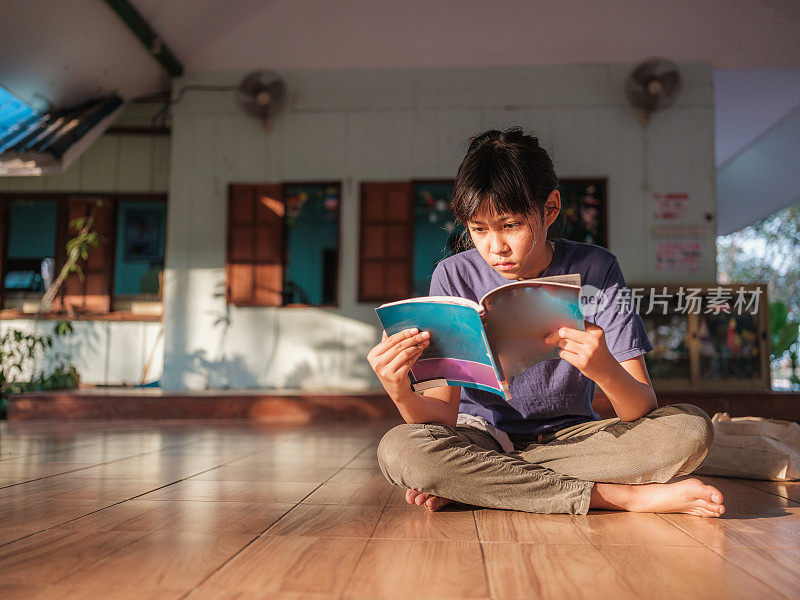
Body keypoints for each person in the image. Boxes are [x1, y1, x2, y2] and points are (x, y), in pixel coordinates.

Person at [368, 127, 725, 517]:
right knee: (401, 451)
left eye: (511, 225)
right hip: (481, 437)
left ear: (550, 208)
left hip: (575, 440)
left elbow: (640, 406)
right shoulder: (453, 276)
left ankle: (483, 484)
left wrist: (603, 368)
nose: (495, 247)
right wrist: (399, 390)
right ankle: (617, 497)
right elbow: (443, 417)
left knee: (689, 430)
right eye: (479, 230)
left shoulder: (597, 268)